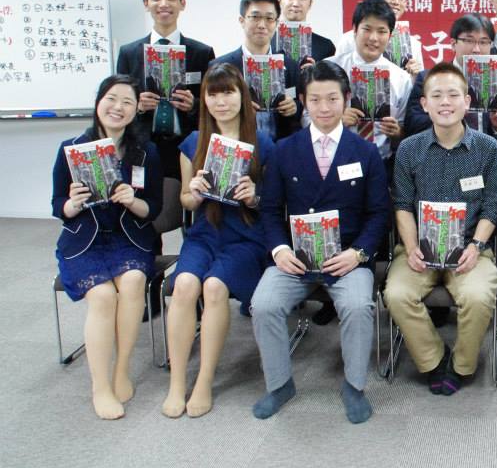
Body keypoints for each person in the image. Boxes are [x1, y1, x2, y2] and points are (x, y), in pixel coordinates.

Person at [250, 61, 390, 423]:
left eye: (332, 98)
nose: (324, 108)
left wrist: (358, 253)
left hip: (347, 258)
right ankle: (279, 384)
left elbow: (379, 214)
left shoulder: (366, 152)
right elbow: (269, 210)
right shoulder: (284, 150)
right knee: (263, 304)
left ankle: (354, 386)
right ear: (302, 100)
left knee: (358, 306)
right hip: (295, 258)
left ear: (346, 99)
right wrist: (279, 250)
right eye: (315, 99)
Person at [161, 63, 275, 418]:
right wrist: (194, 192)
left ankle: (204, 381)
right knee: (184, 285)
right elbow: (185, 200)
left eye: (228, 92)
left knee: (213, 288)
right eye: (213, 94)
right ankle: (177, 383)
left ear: (243, 96)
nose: (221, 101)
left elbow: (272, 205)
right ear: (204, 100)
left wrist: (253, 196)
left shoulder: (263, 144)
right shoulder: (193, 143)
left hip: (245, 236)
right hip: (204, 233)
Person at [384, 63, 497, 395]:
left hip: (470, 249)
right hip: (420, 249)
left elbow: (493, 206)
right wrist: (411, 248)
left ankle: (462, 364)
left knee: (478, 295)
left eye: (453, 94)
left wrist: (476, 246)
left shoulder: (488, 148)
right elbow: (402, 205)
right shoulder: (409, 148)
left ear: (467, 101)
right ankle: (434, 359)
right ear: (424, 104)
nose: (445, 102)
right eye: (436, 95)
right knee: (396, 294)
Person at [52, 75, 163, 419]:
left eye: (127, 102)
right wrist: (72, 203)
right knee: (102, 297)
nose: (118, 107)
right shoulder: (71, 148)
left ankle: (121, 369)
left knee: (132, 282)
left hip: (128, 238)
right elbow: (57, 205)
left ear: (136, 110)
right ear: (98, 102)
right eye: (112, 99)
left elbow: (153, 208)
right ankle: (100, 386)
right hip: (85, 240)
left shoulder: (146, 152)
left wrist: (132, 200)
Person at [116, 0, 216, 179]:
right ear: (146, 3)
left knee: (184, 197)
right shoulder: (129, 53)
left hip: (187, 146)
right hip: (142, 145)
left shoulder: (202, 52)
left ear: (182, 3)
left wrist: (193, 105)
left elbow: (213, 103)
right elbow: (118, 103)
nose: (163, 4)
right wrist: (138, 106)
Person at [405, 13, 497, 184]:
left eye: (484, 42)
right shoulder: (430, 78)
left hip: (484, 167)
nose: (476, 49)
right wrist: (448, 115)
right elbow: (412, 124)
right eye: (469, 41)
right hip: (437, 163)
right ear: (453, 43)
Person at [327, 0, 412, 174]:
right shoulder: (329, 69)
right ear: (354, 30)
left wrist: (397, 132)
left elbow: (406, 131)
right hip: (334, 161)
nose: (374, 38)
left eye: (381, 31)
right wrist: (335, 121)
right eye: (367, 29)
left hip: (381, 164)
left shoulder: (401, 78)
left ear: (390, 36)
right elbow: (307, 118)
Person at [210, 0, 301, 141]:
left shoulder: (290, 66)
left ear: (277, 23)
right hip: (238, 145)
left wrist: (294, 107)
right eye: (255, 17)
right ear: (242, 20)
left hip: (281, 146)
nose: (262, 25)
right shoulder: (221, 66)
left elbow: (301, 107)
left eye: (269, 18)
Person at [335, 0, 423, 77]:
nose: (396, 2)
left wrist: (416, 76)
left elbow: (417, 84)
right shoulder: (347, 40)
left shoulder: (414, 44)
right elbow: (336, 76)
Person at [274, 0, 336, 64]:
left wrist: (315, 71)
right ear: (279, 1)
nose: (296, 4)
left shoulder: (326, 47)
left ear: (310, 3)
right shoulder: (263, 45)